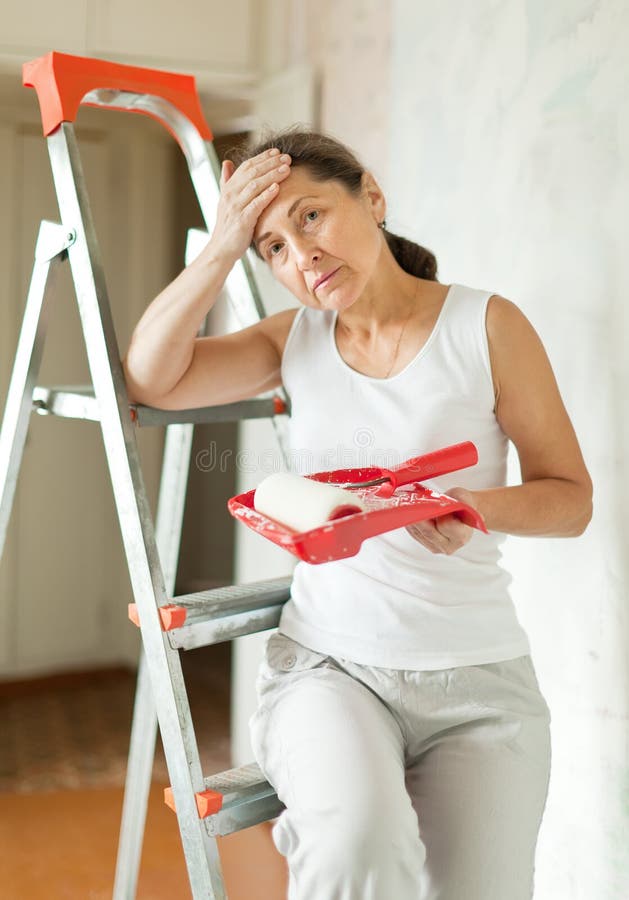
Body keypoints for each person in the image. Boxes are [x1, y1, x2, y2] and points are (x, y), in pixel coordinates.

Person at [122, 127, 593, 900]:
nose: (299, 256)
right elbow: (150, 376)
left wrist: (472, 508)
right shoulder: (291, 339)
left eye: (310, 217)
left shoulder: (486, 325)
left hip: (480, 686)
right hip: (331, 671)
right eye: (270, 247)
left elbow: (569, 498)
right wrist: (219, 247)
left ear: (370, 197)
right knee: (356, 852)